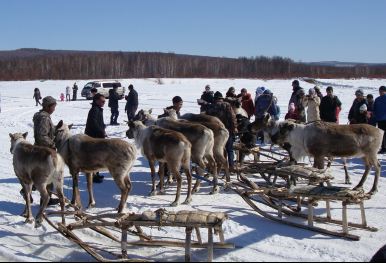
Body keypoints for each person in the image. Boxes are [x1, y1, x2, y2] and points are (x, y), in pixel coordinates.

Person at [31, 96, 59, 205]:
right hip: (44, 151)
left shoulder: (41, 116)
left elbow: (46, 131)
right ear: (47, 106)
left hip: (39, 150)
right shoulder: (44, 118)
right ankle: (44, 199)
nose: (54, 109)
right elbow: (41, 136)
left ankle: (46, 199)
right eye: (53, 106)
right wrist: (53, 144)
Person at [206, 91, 238, 172]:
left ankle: (215, 166)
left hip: (215, 132)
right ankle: (231, 166)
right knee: (229, 149)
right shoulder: (227, 105)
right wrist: (234, 128)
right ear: (221, 98)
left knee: (216, 149)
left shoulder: (210, 107)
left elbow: (206, 119)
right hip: (227, 131)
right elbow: (232, 117)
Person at [85, 93, 107, 183]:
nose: (104, 103)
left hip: (97, 136)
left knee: (97, 157)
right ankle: (93, 176)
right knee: (94, 158)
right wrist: (101, 131)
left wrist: (103, 128)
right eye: (102, 101)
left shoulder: (97, 109)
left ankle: (96, 174)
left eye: (105, 101)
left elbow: (99, 122)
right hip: (93, 137)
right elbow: (93, 123)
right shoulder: (94, 110)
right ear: (97, 101)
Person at [374, 86, 386, 154]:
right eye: (380, 91)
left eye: (382, 91)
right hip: (380, 119)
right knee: (381, 134)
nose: (380, 92)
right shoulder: (377, 99)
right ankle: (383, 148)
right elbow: (374, 108)